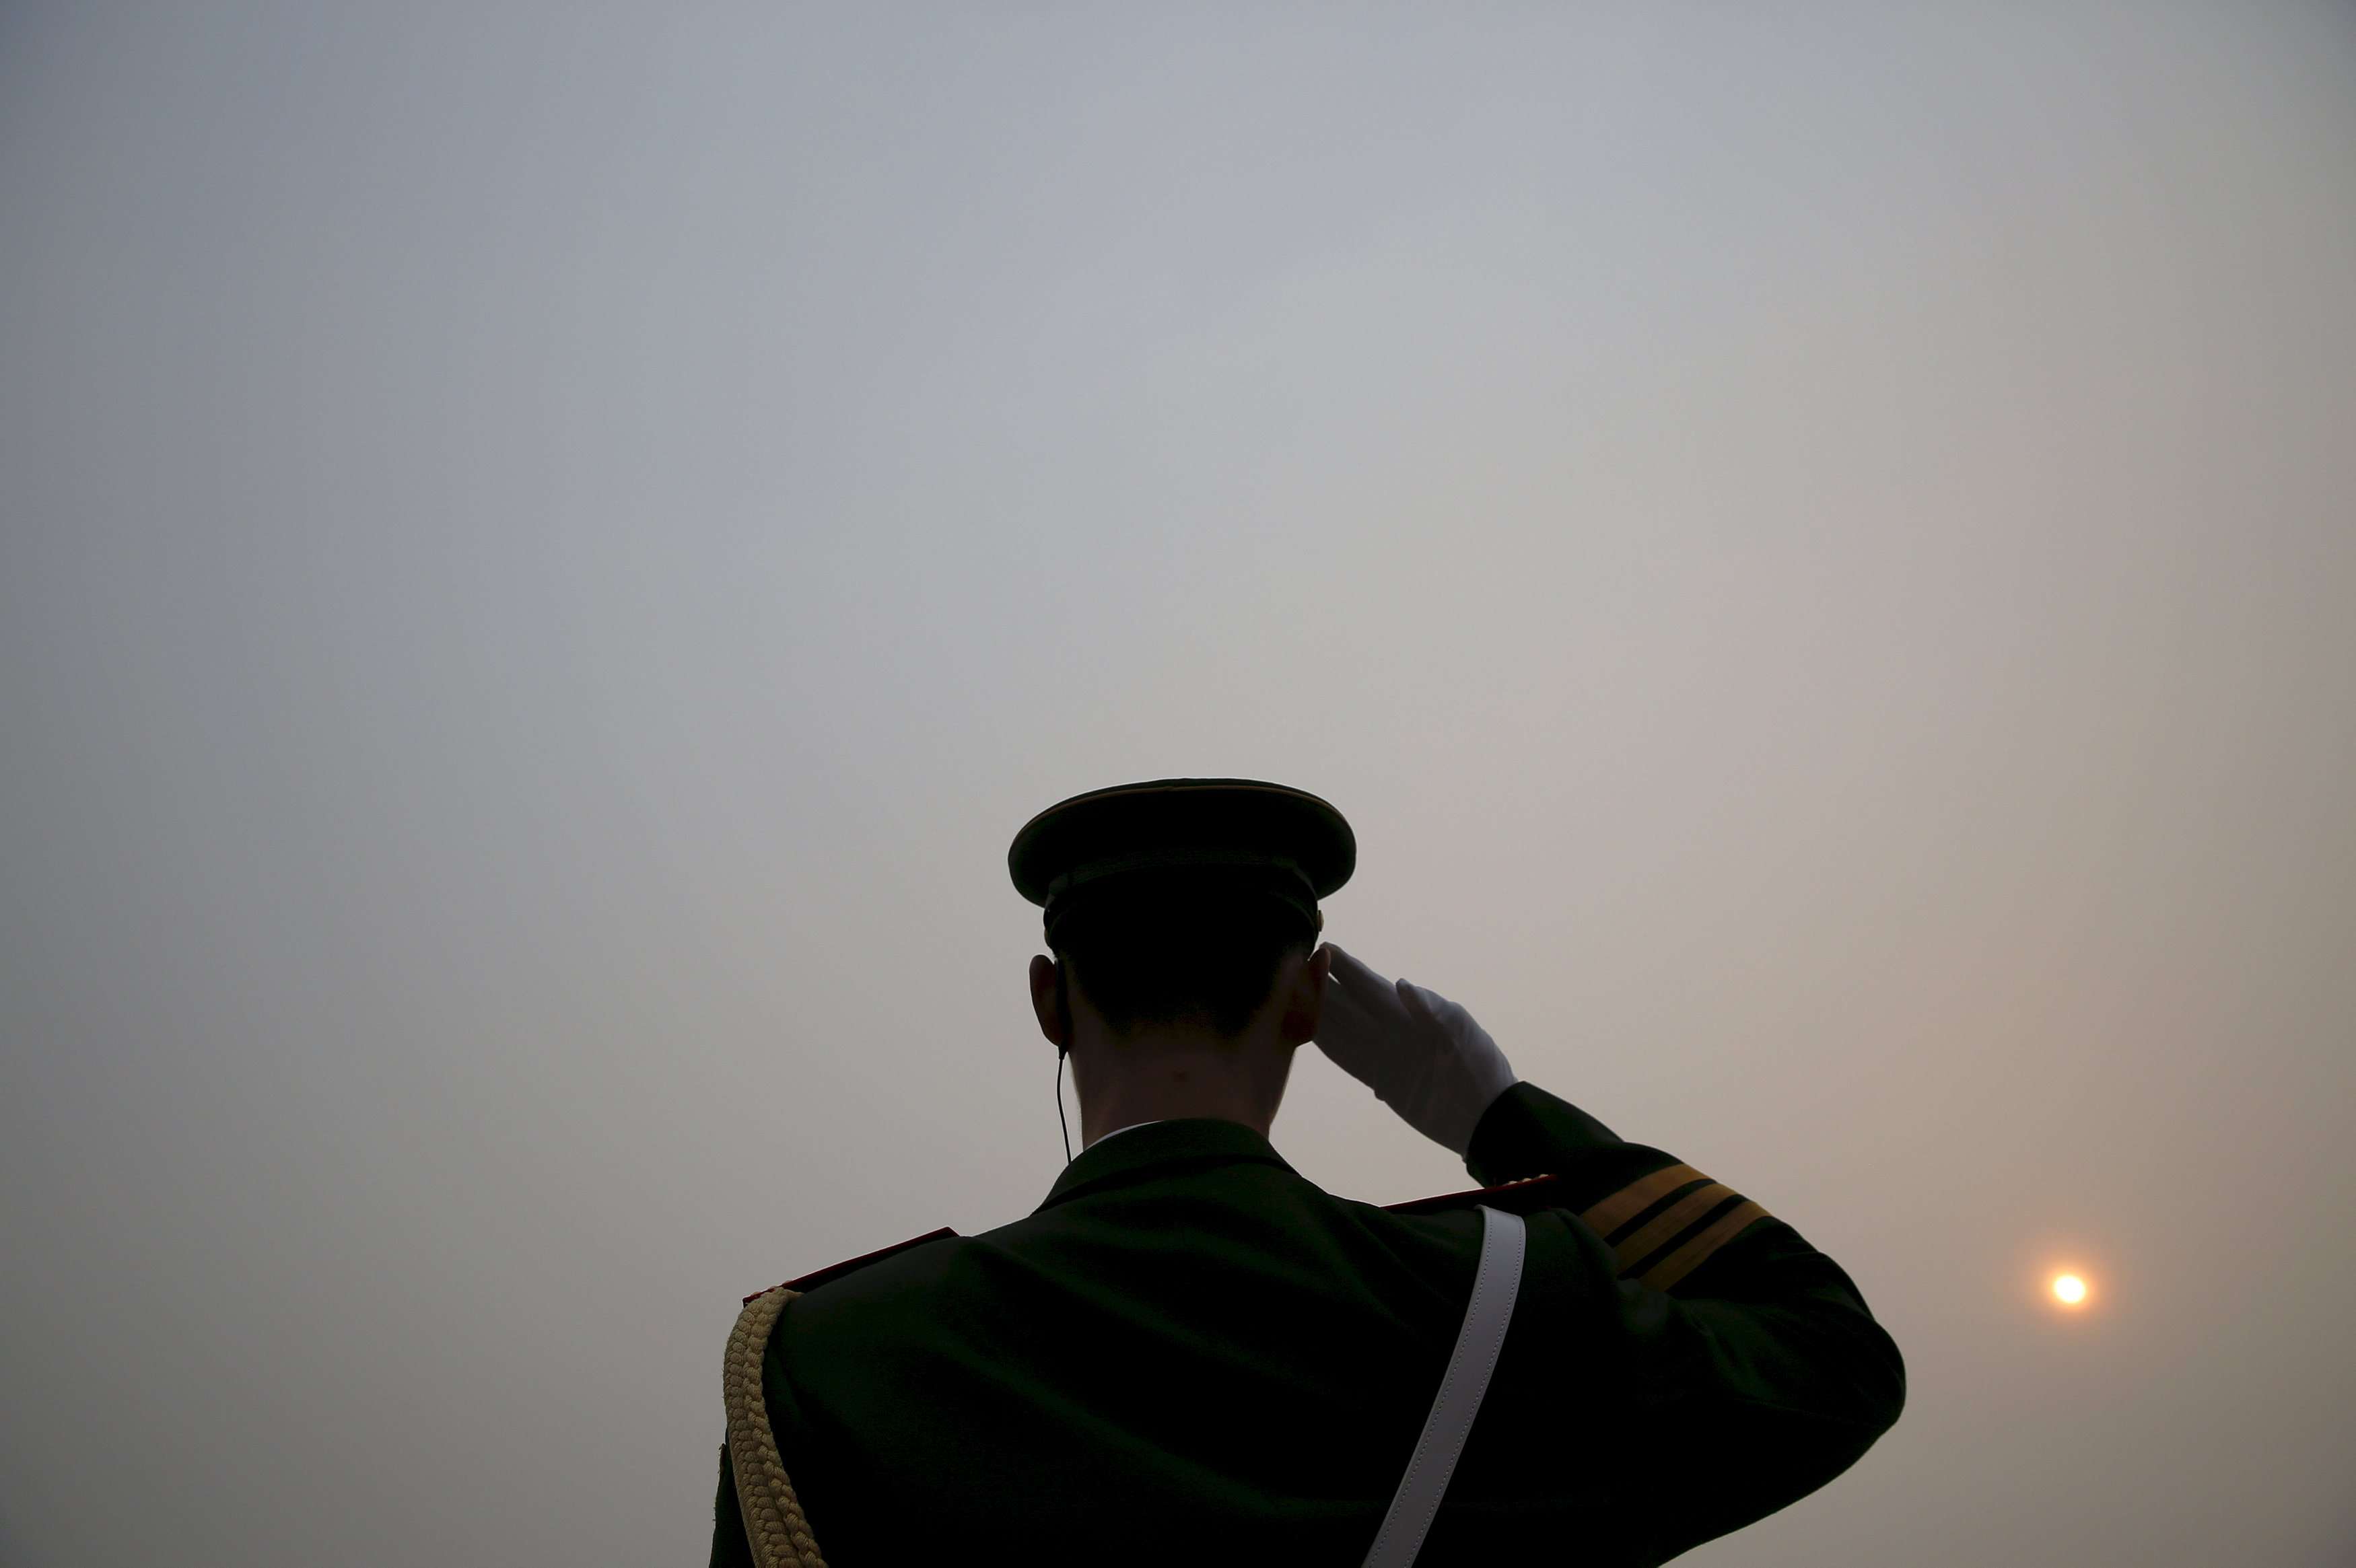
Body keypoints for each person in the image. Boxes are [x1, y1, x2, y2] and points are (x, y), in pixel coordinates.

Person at [712, 778, 1904, 1566]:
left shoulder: (830, 1359)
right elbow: (1831, 1356)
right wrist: (1501, 1118)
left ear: (1049, 1002)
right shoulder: (1500, 1307)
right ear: (1307, 998)